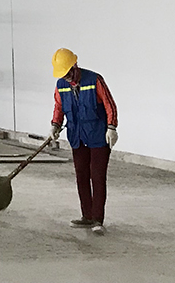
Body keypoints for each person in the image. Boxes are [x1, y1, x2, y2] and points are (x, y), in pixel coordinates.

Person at [50, 48, 119, 235]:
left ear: (75, 65)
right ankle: (87, 216)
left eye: (67, 72)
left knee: (97, 177)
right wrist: (55, 125)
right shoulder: (61, 85)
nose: (66, 77)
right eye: (62, 74)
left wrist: (111, 127)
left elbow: (109, 104)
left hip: (98, 135)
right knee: (81, 176)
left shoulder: (94, 80)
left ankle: (97, 219)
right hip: (77, 136)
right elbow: (59, 107)